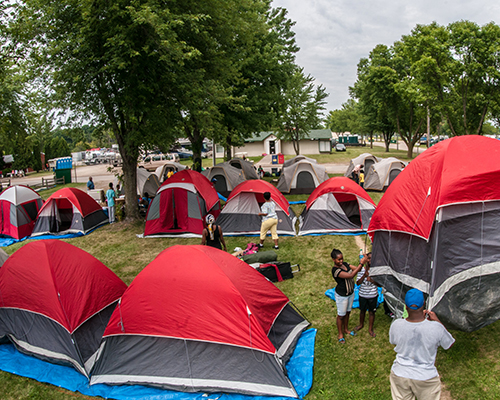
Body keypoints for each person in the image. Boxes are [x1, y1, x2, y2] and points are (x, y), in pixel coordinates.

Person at [389, 289, 455, 400]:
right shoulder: (436, 327)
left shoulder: (396, 324)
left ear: (406, 307)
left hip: (400, 373)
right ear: (424, 304)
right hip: (426, 376)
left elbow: (393, 341)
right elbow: (449, 343)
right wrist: (437, 321)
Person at [331, 248, 365, 343]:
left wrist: (362, 260)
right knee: (341, 315)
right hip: (342, 296)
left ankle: (346, 329)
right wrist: (361, 263)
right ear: (333, 259)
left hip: (351, 293)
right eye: (338, 259)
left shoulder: (345, 264)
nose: (341, 261)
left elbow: (359, 269)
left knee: (348, 312)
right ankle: (340, 334)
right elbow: (350, 275)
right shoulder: (335, 271)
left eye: (342, 258)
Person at [355, 252, 378, 337]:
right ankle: (361, 324)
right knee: (362, 310)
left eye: (373, 258)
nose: (370, 260)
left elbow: (380, 284)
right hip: (363, 295)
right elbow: (357, 283)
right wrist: (364, 275)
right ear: (366, 259)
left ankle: (370, 329)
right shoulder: (361, 269)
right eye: (369, 258)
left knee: (372, 312)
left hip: (373, 295)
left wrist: (372, 280)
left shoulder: (376, 271)